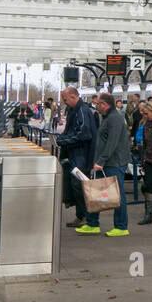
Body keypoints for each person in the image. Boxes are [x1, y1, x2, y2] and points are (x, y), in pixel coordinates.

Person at [55, 87, 99, 229]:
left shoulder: (81, 111)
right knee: (77, 186)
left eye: (65, 99)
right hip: (78, 154)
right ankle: (81, 216)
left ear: (74, 97)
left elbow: (84, 134)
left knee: (80, 186)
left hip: (82, 155)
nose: (64, 102)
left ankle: (86, 217)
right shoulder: (78, 110)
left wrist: (65, 140)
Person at [89, 92, 131, 237]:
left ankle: (121, 226)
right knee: (97, 192)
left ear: (105, 105)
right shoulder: (108, 117)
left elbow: (111, 143)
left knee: (117, 195)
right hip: (108, 162)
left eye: (98, 103)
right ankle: (92, 223)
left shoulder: (114, 118)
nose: (96, 106)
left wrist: (100, 161)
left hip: (114, 162)